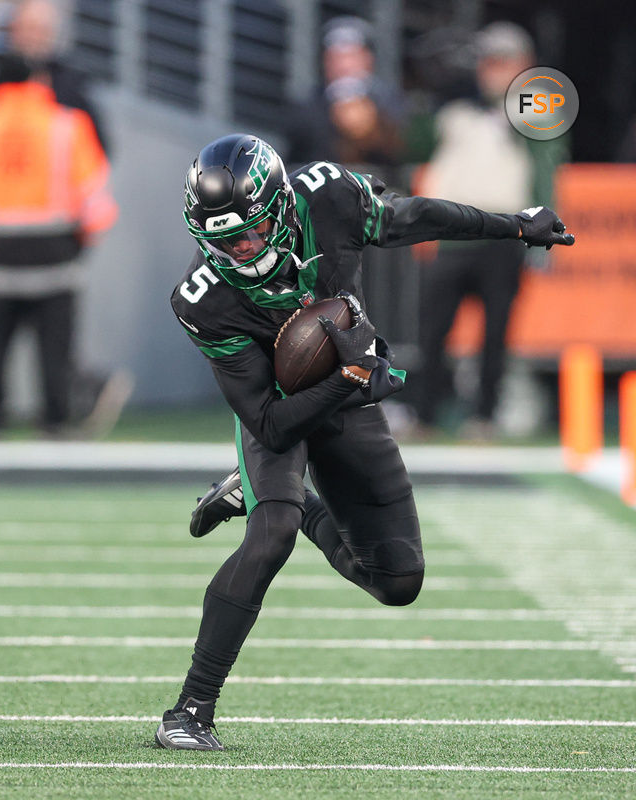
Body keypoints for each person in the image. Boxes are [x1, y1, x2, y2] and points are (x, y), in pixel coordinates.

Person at [157, 134, 574, 750]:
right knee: (271, 533)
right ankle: (189, 712)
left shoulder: (326, 197)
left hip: (346, 396)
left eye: (247, 232)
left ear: (279, 208)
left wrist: (513, 225)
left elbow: (412, 218)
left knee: (397, 581)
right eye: (221, 239)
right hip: (279, 406)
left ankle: (283, 500)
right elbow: (270, 423)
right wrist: (349, 376)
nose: (239, 249)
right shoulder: (205, 300)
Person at [0, 0, 120, 436]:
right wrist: (84, 235)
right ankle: (56, 423)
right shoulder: (68, 123)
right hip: (56, 252)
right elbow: (95, 195)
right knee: (54, 350)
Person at [413, 22, 563, 438]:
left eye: (503, 61)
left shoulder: (534, 110)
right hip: (453, 230)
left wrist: (543, 230)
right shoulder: (455, 108)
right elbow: (412, 142)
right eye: (488, 60)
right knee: (432, 328)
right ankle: (425, 413)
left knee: (495, 332)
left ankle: (485, 416)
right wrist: (430, 88)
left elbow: (547, 169)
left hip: (503, 231)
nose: (492, 69)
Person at [284, 16, 405, 171]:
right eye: (335, 58)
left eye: (352, 56)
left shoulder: (391, 102)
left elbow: (404, 153)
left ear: (368, 59)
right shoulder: (307, 105)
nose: (344, 65)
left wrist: (374, 129)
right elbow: (295, 155)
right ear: (324, 62)